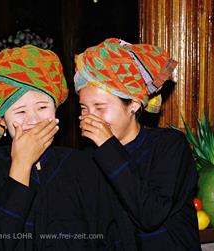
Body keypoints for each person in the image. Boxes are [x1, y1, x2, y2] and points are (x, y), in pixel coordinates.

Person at [0, 45, 103, 250]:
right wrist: (21, 164)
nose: (33, 120)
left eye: (42, 107)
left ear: (55, 109)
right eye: (20, 111)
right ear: (2, 120)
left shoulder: (80, 163)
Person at [74, 38, 201, 251]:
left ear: (133, 104)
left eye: (100, 107)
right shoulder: (88, 158)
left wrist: (108, 146)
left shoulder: (169, 146)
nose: (89, 117)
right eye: (84, 108)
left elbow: (150, 215)